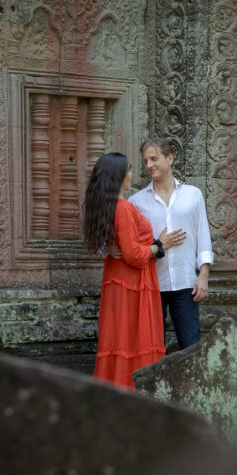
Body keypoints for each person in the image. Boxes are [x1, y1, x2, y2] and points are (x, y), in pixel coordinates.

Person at [82, 152, 184, 390]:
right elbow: (133, 255)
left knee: (120, 340)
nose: (131, 172)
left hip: (117, 280)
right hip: (132, 283)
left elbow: (116, 246)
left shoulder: (107, 206)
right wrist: (159, 246)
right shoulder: (124, 208)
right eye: (128, 168)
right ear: (118, 175)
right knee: (135, 340)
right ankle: (135, 394)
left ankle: (115, 390)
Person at [113, 138, 214, 350]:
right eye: (145, 161)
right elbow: (127, 240)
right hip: (151, 284)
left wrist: (203, 275)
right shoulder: (137, 202)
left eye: (154, 159)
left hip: (186, 283)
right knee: (151, 346)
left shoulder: (193, 195)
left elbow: (203, 235)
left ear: (170, 158)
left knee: (191, 346)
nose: (149, 165)